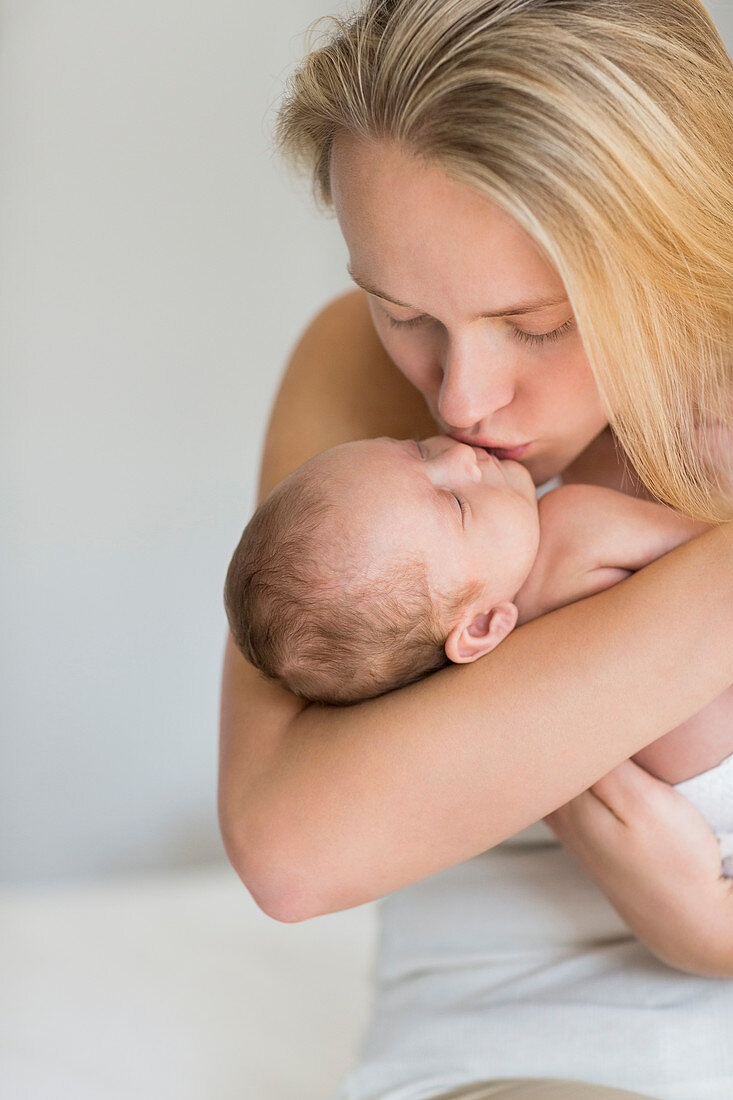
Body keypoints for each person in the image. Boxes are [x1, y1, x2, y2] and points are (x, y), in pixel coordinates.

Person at [218, 1, 733, 1097]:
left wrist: (710, 937)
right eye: (400, 309)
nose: (460, 400)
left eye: (536, 325)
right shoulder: (348, 371)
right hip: (517, 1045)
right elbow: (293, 846)